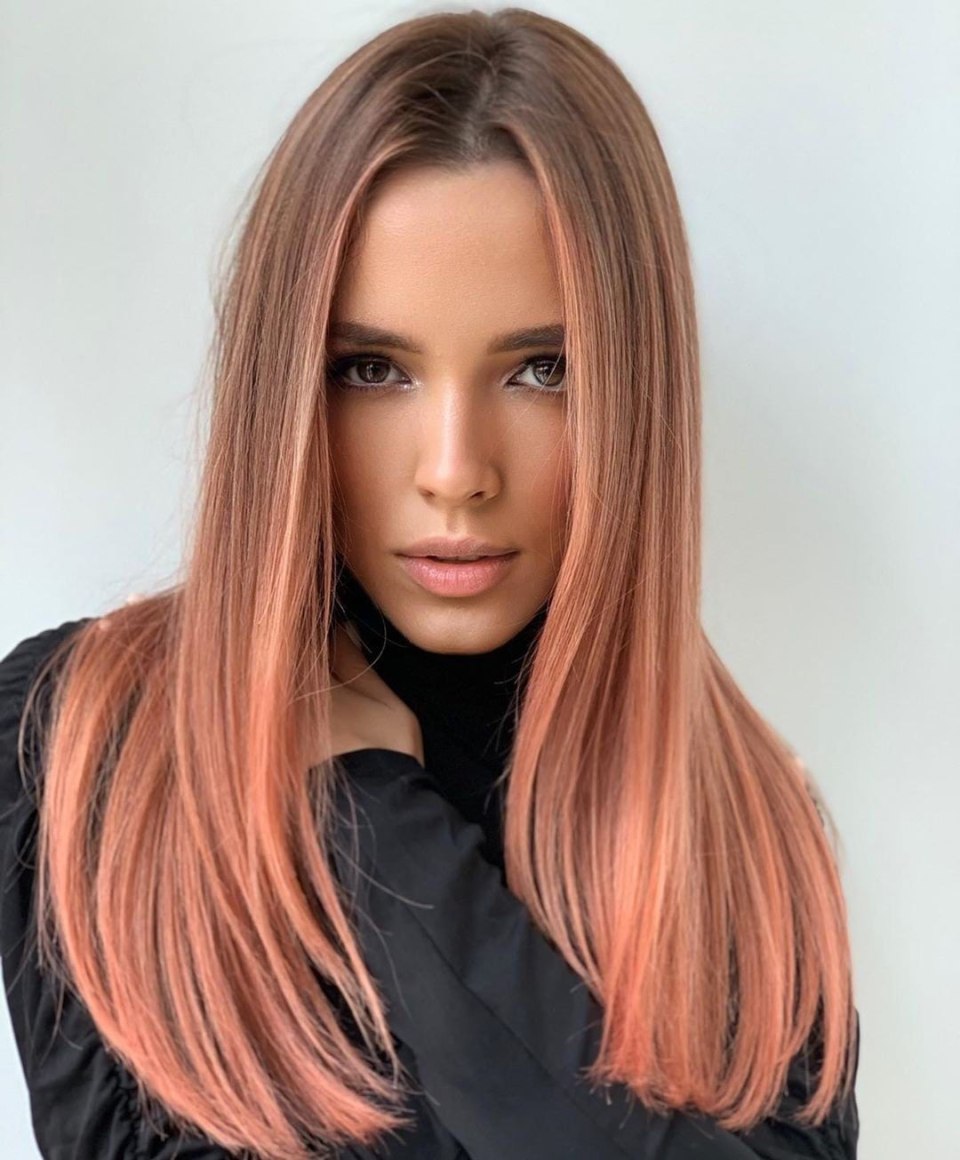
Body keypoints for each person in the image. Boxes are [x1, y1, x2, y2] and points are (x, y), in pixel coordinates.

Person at [0, 8, 860, 1159]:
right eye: (373, 368)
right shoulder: (87, 740)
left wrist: (375, 822)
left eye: (542, 370)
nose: (455, 471)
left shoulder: (735, 829)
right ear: (284, 386)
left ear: (635, 387)